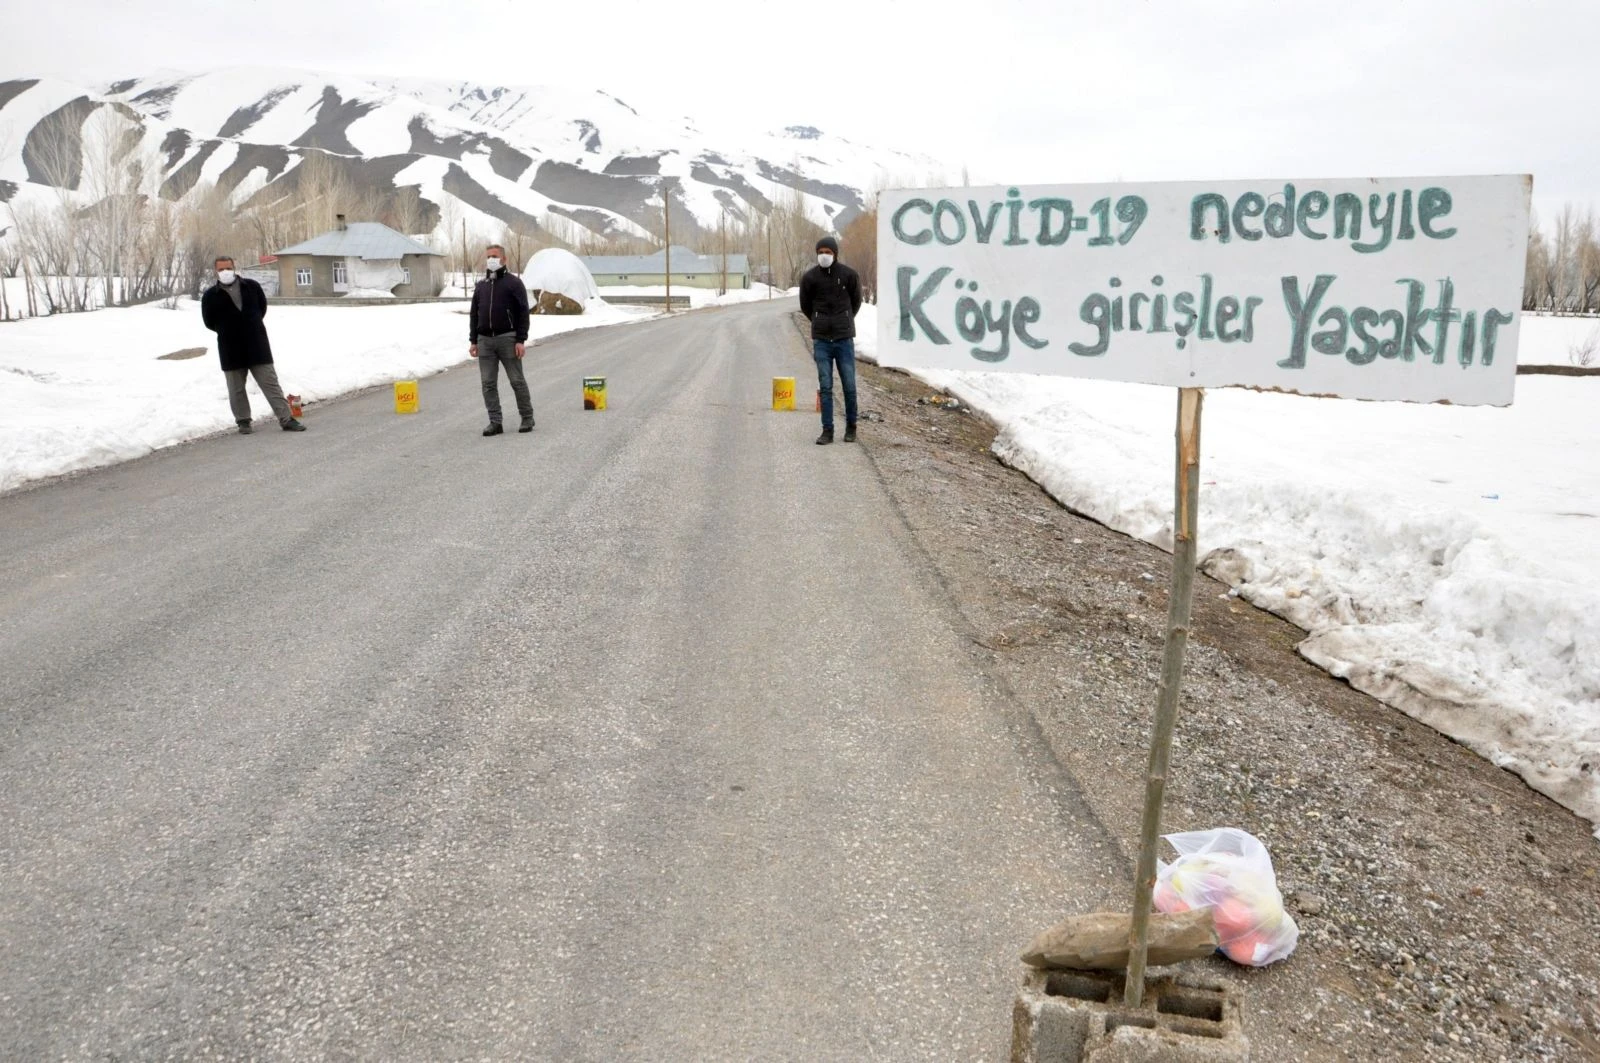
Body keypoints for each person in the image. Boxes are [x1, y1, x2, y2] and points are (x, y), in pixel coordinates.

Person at [200, 256, 304, 434]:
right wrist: (226, 330)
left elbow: (261, 308)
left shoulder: (252, 286)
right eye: (221, 269)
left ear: (234, 267)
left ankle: (287, 419)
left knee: (270, 384)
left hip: (257, 344)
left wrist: (251, 325)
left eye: (228, 268)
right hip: (230, 347)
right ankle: (243, 421)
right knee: (236, 389)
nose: (225, 272)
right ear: (215, 271)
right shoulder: (210, 295)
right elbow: (209, 322)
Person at [798, 235, 862, 445]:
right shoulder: (809, 278)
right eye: (821, 252)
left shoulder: (849, 275)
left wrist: (844, 320)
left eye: (828, 252)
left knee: (849, 385)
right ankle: (827, 430)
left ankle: (851, 427)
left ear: (835, 254)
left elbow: (856, 302)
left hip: (844, 339)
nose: (824, 256)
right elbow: (806, 306)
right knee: (825, 386)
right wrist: (819, 321)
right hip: (822, 340)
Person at [469, 244, 533, 436]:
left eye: (495, 256)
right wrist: (473, 340)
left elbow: (523, 312)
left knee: (517, 381)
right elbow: (474, 314)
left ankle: (527, 417)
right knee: (488, 383)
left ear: (504, 259)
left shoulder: (514, 283)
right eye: (488, 256)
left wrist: (520, 339)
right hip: (485, 341)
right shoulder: (481, 286)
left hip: (508, 339)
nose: (491, 260)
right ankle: (495, 422)